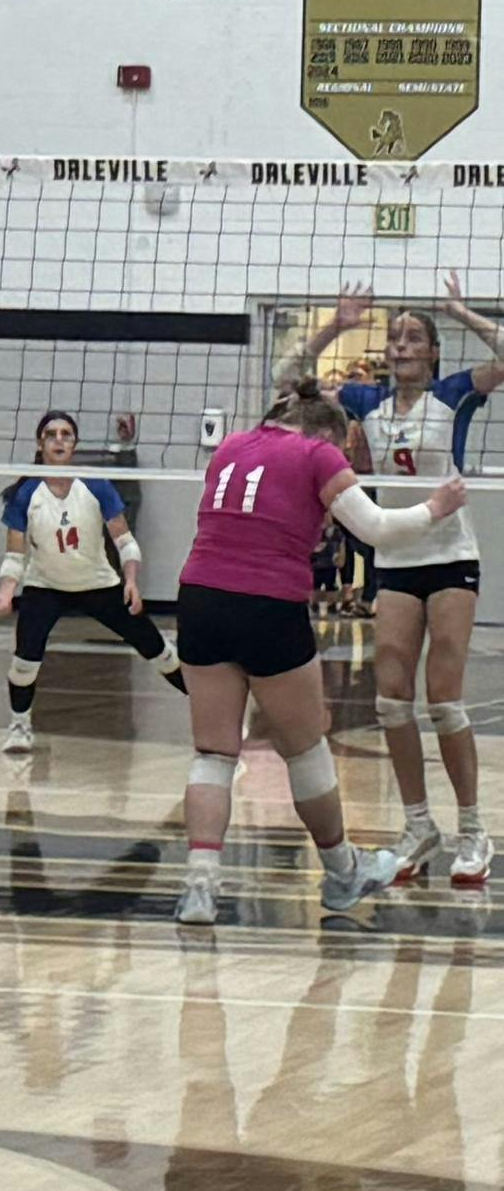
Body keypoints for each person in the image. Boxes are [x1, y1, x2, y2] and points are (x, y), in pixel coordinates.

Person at [173, 378, 466, 927]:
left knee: (213, 752)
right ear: (329, 434)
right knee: (306, 746)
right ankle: (342, 871)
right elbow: (376, 529)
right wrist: (436, 507)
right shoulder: (317, 453)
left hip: (199, 596)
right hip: (268, 603)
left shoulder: (232, 446)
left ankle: (199, 889)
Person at [286, 274, 504, 883]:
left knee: (445, 700)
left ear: (432, 352)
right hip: (397, 560)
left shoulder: (455, 395)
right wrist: (336, 326)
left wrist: (462, 312)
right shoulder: (365, 401)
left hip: (450, 556)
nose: (401, 346)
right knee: (390, 699)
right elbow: (291, 381)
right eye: (395, 338)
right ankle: (418, 825)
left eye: (413, 338)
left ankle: (473, 830)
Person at [0, 409, 185, 753]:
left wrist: (131, 580)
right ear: (40, 443)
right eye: (51, 434)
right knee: (24, 663)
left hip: (99, 584)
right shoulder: (26, 494)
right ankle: (19, 727)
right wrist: (5, 593)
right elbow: (15, 556)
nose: (59, 440)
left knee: (157, 650)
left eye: (66, 434)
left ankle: (204, 706)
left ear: (75, 444)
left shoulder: (94, 485)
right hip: (45, 586)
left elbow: (125, 542)